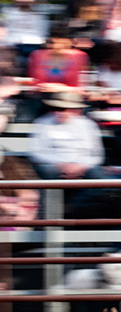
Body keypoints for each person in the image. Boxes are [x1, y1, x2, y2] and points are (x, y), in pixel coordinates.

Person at [28, 91, 109, 219]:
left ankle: (75, 211)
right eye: (55, 108)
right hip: (54, 165)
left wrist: (81, 166)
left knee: (100, 178)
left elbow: (97, 155)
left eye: (63, 108)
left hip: (83, 166)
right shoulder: (42, 123)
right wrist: (60, 164)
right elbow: (36, 153)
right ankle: (54, 212)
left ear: (74, 110)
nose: (58, 112)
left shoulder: (88, 125)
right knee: (47, 171)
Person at [0, 0, 49, 73]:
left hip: (34, 47)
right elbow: (2, 30)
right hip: (12, 46)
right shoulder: (7, 12)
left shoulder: (40, 15)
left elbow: (43, 34)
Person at [27, 24, 91, 91]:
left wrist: (62, 89)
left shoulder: (80, 57)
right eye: (52, 43)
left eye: (62, 44)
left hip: (70, 97)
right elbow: (33, 84)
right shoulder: (37, 55)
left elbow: (83, 88)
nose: (56, 47)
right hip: (41, 95)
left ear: (71, 43)